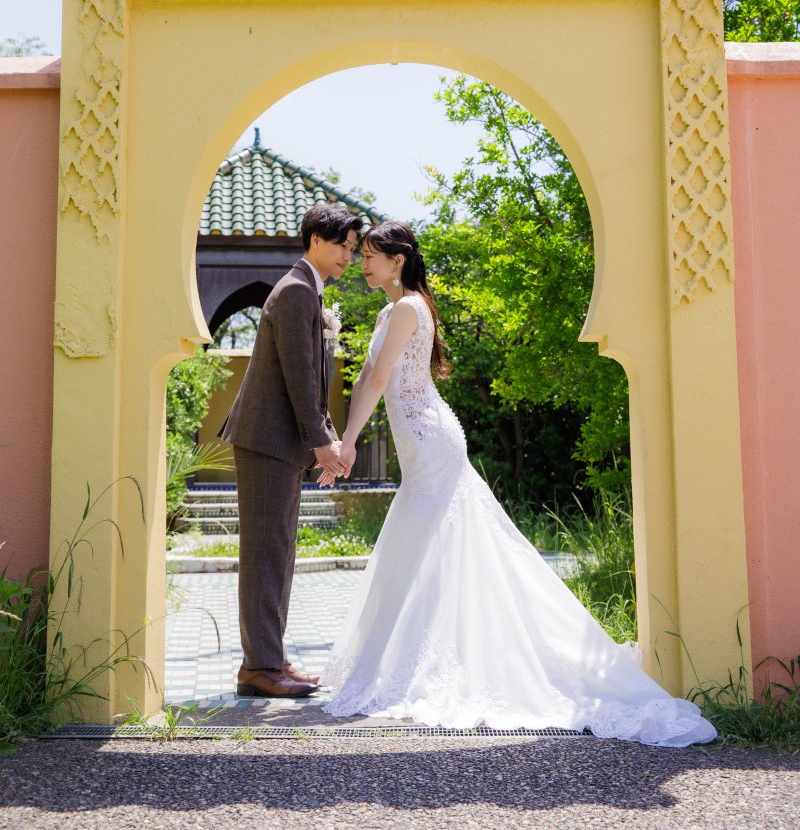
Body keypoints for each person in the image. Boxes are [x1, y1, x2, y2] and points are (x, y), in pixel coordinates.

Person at [317, 221, 717, 746]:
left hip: (431, 443)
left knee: (437, 551)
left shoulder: (404, 309)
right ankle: (424, 658)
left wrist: (346, 440)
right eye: (362, 254)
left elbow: (375, 378)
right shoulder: (405, 308)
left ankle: (437, 664)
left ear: (398, 260)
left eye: (372, 255)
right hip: (425, 443)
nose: (363, 263)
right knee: (432, 554)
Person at [219, 203, 361, 699]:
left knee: (278, 550)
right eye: (342, 243)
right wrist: (323, 443)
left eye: (352, 246)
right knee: (265, 552)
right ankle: (258, 668)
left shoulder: (309, 291)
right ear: (316, 240)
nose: (349, 253)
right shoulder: (299, 291)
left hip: (278, 442)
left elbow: (309, 381)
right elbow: (302, 379)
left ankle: (271, 658)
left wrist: (319, 440)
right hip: (267, 439)